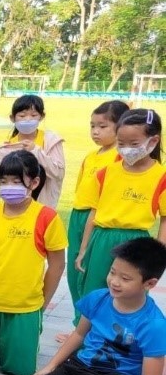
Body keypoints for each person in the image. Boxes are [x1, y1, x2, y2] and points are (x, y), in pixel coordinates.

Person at [7, 237, 166, 375]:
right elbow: (79, 335)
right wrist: (51, 366)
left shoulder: (154, 324)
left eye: (125, 278)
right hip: (80, 366)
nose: (114, 282)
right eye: (113, 272)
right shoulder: (98, 299)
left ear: (149, 284)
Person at [0, 151, 67, 375]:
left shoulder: (47, 218)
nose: (8, 186)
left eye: (15, 181)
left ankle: (19, 340)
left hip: (25, 306)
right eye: (3, 181)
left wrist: (41, 301)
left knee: (20, 371)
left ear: (34, 182)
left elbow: (57, 265)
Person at [75, 108, 166, 302]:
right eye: (121, 143)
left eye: (134, 144)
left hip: (136, 242)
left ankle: (125, 332)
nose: (126, 149)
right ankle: (85, 331)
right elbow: (94, 212)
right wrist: (84, 249)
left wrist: (157, 256)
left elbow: (165, 221)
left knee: (130, 294)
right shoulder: (106, 173)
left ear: (153, 141)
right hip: (101, 238)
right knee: (94, 291)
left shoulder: (161, 177)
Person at [62, 100, 128, 330]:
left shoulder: (121, 158)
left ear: (121, 127)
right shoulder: (91, 156)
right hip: (78, 216)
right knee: (74, 273)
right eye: (92, 126)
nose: (95, 132)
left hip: (97, 219)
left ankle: (93, 328)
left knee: (92, 275)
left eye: (103, 126)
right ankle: (78, 325)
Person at [0, 94, 66, 210]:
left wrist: (36, 151)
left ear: (42, 116)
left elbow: (58, 173)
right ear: (12, 118)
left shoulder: (50, 141)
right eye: (22, 116)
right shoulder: (7, 148)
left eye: (33, 115)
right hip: (12, 209)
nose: (28, 119)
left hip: (43, 209)